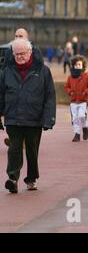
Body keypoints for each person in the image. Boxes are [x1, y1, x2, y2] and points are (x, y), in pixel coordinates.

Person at [0, 38, 56, 193]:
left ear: (30, 52)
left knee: (32, 151)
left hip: (34, 118)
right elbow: (1, 94)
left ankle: (31, 178)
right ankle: (12, 178)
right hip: (13, 117)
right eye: (16, 54)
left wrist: (49, 118)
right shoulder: (7, 71)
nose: (19, 57)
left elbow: (50, 96)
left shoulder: (43, 70)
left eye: (22, 53)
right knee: (14, 149)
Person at [64, 55, 88, 142]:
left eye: (79, 65)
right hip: (73, 101)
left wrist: (86, 92)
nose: (78, 66)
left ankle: (85, 128)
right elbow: (66, 87)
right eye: (76, 65)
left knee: (81, 116)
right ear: (73, 66)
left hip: (83, 101)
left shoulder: (87, 76)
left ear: (83, 66)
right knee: (75, 118)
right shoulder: (70, 77)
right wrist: (70, 91)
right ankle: (77, 134)